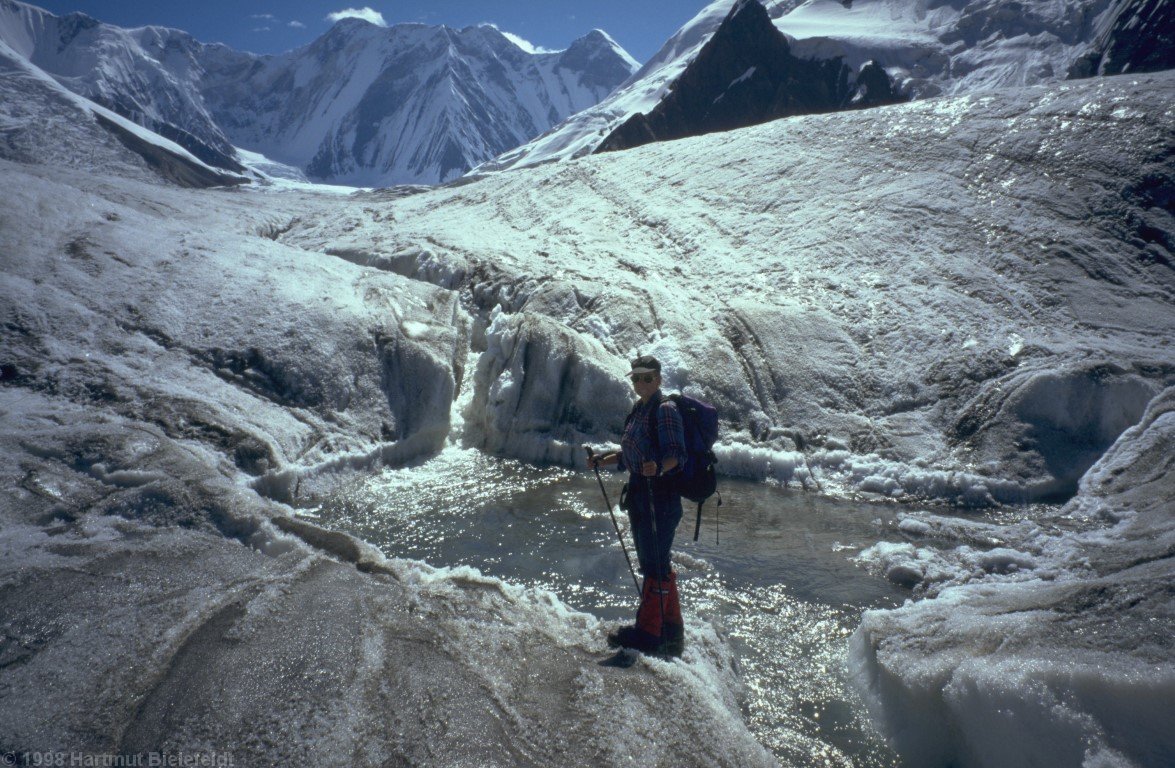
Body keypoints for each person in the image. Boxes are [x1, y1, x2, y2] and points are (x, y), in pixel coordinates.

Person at [587, 354, 688, 656]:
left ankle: (648, 633)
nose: (640, 382)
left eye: (646, 377)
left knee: (654, 564)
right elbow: (630, 451)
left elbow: (677, 455)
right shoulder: (639, 409)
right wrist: (603, 460)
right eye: (636, 378)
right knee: (656, 562)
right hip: (641, 495)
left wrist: (657, 468)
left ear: (658, 379)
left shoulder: (665, 409)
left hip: (661, 496)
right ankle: (671, 630)